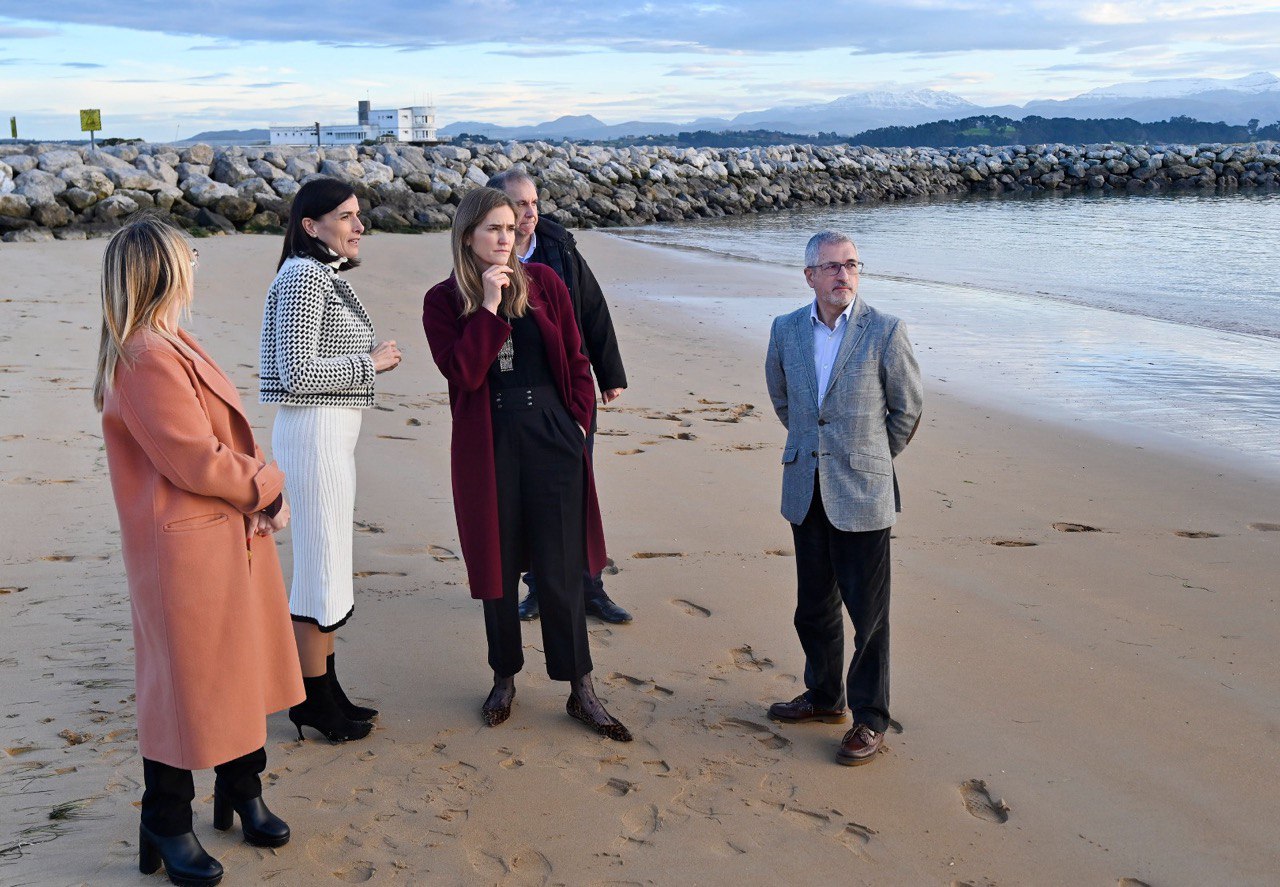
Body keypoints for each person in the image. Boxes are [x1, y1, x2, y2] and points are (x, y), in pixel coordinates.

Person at [95, 216, 304, 886]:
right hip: (185, 550)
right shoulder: (145, 355)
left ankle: (241, 790)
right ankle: (166, 816)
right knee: (185, 687)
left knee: (236, 670)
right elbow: (194, 459)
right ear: (161, 268)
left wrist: (255, 495)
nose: (195, 263)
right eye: (187, 255)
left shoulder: (167, 340)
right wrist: (267, 489)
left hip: (219, 535)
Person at [422, 186, 631, 741]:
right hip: (489, 441)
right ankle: (504, 677)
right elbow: (464, 373)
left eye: (511, 229)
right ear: (467, 235)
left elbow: (576, 358)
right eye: (493, 229)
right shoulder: (443, 300)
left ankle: (580, 688)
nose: (504, 239)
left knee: (562, 566)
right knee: (498, 564)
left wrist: (579, 422)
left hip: (553, 435)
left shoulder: (547, 285)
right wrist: (488, 306)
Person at [763, 230, 923, 766]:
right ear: (809, 275)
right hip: (806, 488)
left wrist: (868, 457)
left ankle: (870, 719)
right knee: (813, 607)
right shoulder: (786, 329)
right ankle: (825, 697)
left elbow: (906, 411)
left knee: (868, 616)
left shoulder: (885, 331)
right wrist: (814, 449)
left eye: (851, 265)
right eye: (831, 267)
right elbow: (783, 399)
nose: (843, 276)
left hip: (863, 493)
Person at [260, 177, 402, 742]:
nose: (359, 226)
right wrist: (372, 364)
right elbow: (298, 373)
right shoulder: (302, 276)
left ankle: (327, 689)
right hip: (313, 436)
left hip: (329, 436)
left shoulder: (321, 275)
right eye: (346, 217)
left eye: (358, 215)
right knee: (320, 568)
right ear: (310, 226)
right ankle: (311, 699)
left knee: (330, 564)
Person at [486, 169, 632, 625]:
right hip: (515, 398)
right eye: (519, 205)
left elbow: (593, 308)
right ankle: (537, 590)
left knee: (577, 488)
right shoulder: (482, 254)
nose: (530, 213)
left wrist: (609, 373)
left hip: (568, 390)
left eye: (533, 204)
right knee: (530, 495)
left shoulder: (560, 247)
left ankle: (590, 588)